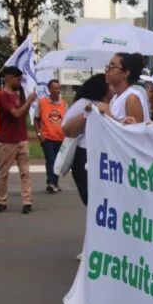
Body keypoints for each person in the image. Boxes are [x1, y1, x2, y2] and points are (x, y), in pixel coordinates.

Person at [0, 66, 38, 214]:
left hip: (22, 138)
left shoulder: (18, 94)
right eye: (18, 79)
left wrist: (26, 100)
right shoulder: (2, 95)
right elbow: (16, 114)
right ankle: (2, 201)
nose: (20, 82)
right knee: (3, 173)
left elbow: (22, 115)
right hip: (7, 140)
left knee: (25, 172)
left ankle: (27, 202)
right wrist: (29, 101)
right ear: (9, 78)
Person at [62, 74, 112, 207]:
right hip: (84, 154)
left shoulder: (114, 103)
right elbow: (66, 129)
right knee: (92, 199)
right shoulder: (84, 103)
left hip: (104, 155)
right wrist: (87, 113)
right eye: (111, 85)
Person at [34, 79, 67, 193]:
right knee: (51, 160)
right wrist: (39, 133)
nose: (58, 91)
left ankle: (55, 183)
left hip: (61, 138)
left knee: (58, 162)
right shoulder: (42, 102)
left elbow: (67, 120)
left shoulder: (64, 103)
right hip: (47, 137)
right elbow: (36, 119)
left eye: (59, 88)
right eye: (55, 88)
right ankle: (51, 183)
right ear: (49, 89)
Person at [104, 52, 149, 124]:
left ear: (126, 73)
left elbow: (137, 129)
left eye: (112, 66)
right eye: (108, 66)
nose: (107, 70)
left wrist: (108, 115)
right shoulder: (115, 98)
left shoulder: (132, 98)